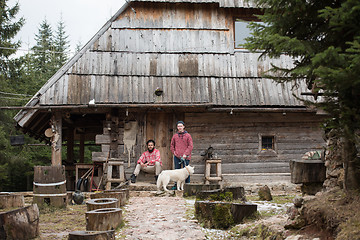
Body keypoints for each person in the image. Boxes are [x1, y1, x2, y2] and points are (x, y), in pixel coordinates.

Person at [170, 121, 193, 188]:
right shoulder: (175, 136)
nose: (179, 127)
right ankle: (176, 185)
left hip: (186, 157)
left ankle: (187, 185)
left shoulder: (188, 136)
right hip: (177, 156)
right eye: (178, 126)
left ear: (183, 127)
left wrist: (186, 154)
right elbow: (172, 145)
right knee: (177, 171)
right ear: (177, 127)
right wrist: (174, 152)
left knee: (186, 171)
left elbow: (190, 146)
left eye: (181, 126)